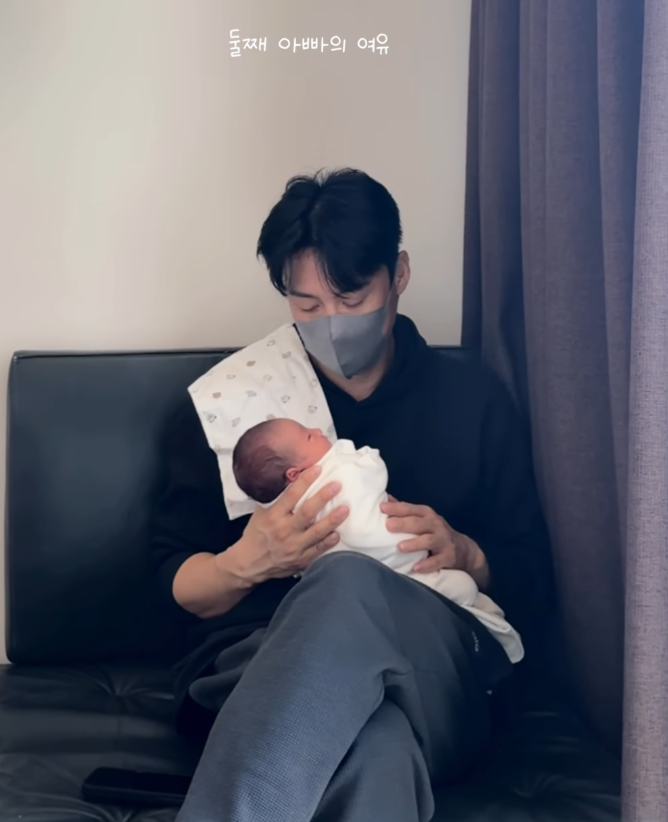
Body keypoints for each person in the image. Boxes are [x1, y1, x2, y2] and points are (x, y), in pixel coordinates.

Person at [151, 168, 555, 822]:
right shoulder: (236, 409)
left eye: (351, 296)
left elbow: (535, 579)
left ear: (399, 274)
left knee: (347, 581)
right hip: (255, 667)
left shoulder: (473, 403)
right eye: (307, 306)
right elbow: (170, 584)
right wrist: (246, 562)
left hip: (438, 676)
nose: (332, 323)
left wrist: (467, 554)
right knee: (377, 747)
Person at [232, 418, 524, 664]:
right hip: (355, 606)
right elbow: (368, 472)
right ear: (294, 473)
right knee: (460, 588)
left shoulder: (285, 508)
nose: (319, 431)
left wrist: (470, 556)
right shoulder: (339, 471)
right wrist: (365, 456)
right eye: (309, 436)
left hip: (370, 621)